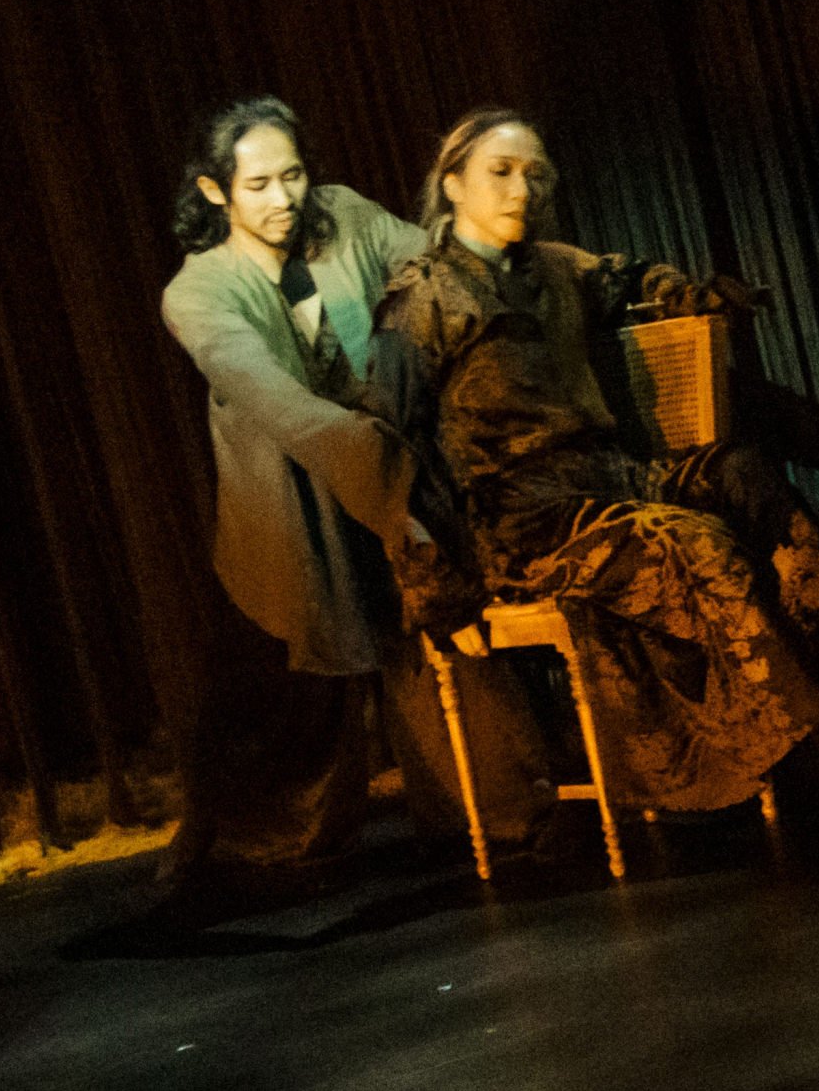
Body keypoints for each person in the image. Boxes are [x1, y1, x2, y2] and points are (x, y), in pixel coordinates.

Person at [370, 106, 819, 816]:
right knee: (689, 543)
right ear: (451, 185)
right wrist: (438, 592)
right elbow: (391, 448)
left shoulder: (556, 267)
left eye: (535, 175)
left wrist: (694, 294)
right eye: (499, 173)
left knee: (737, 472)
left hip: (609, 480)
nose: (521, 190)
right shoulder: (423, 298)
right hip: (523, 522)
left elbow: (629, 275)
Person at [152, 94, 535, 904]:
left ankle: (490, 811)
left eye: (292, 176)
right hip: (292, 498)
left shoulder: (344, 218)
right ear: (215, 191)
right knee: (293, 696)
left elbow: (439, 262)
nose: (284, 199)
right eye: (257, 184)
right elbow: (280, 405)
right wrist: (392, 480)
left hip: (384, 457)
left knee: (427, 638)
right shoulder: (197, 294)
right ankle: (228, 841)